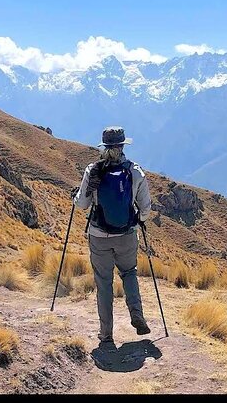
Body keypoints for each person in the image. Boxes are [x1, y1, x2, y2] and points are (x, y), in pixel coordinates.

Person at [73, 126, 153, 344]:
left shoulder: (94, 170)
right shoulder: (134, 171)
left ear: (104, 146)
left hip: (99, 235)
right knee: (129, 273)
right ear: (123, 145)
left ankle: (106, 334)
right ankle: (137, 315)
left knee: (104, 282)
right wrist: (139, 221)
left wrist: (76, 197)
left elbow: (82, 204)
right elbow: (146, 209)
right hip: (126, 234)